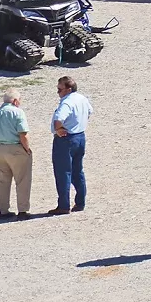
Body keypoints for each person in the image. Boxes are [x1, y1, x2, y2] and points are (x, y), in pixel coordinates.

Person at [0, 88, 33, 218]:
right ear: (15, 101)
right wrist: (27, 149)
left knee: (2, 181)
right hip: (16, 148)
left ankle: (3, 210)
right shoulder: (18, 112)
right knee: (22, 180)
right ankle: (22, 210)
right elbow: (23, 134)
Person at [49, 75, 92, 215]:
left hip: (66, 140)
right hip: (80, 136)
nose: (58, 92)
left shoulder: (67, 102)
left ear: (68, 89)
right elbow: (90, 112)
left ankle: (63, 205)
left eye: (60, 89)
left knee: (63, 173)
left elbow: (58, 119)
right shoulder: (82, 98)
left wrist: (59, 129)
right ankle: (80, 203)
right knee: (77, 171)